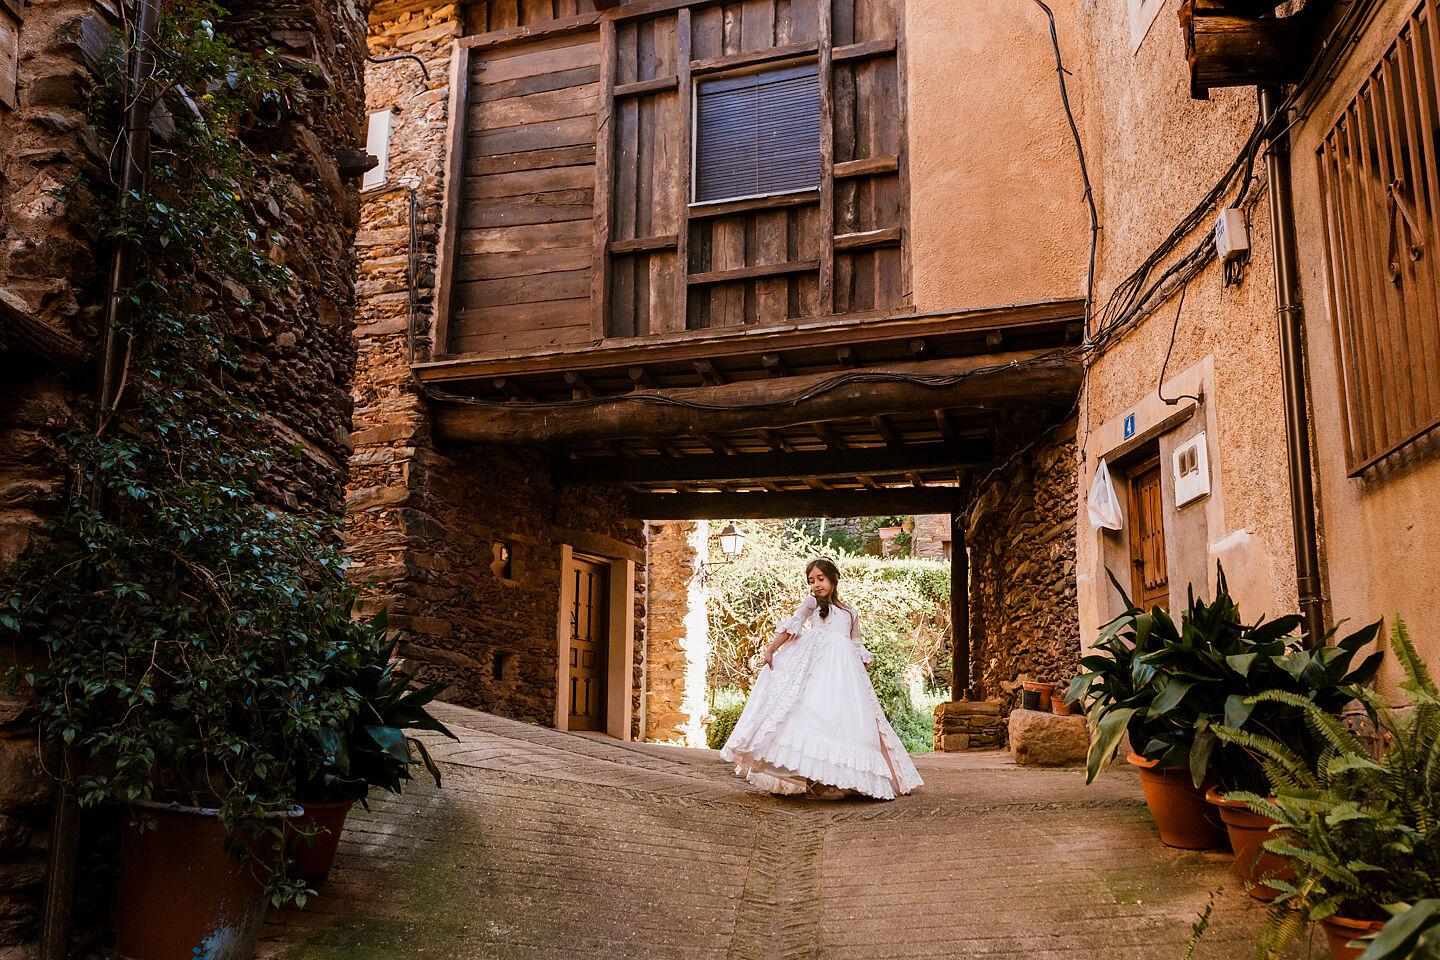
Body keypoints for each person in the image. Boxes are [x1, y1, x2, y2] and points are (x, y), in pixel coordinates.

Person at [720, 557, 923, 801]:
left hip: (846, 675)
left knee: (843, 721)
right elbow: (791, 626)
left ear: (834, 579)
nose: (816, 585)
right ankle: (814, 784)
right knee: (812, 714)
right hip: (817, 668)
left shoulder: (850, 612)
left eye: (820, 579)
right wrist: (770, 650)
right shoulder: (812, 604)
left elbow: (855, 643)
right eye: (811, 581)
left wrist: (862, 664)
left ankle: (839, 780)